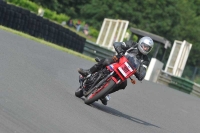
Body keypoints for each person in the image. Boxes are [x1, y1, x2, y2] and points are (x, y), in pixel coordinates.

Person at [78, 36, 154, 105]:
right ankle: (88, 72)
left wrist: (140, 74)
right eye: (145, 46)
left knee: (124, 84)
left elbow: (143, 70)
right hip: (118, 61)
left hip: (125, 72)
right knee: (106, 61)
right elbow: (117, 44)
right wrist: (120, 52)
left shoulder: (145, 60)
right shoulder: (132, 44)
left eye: (148, 48)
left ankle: (105, 93)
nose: (145, 49)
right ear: (141, 43)